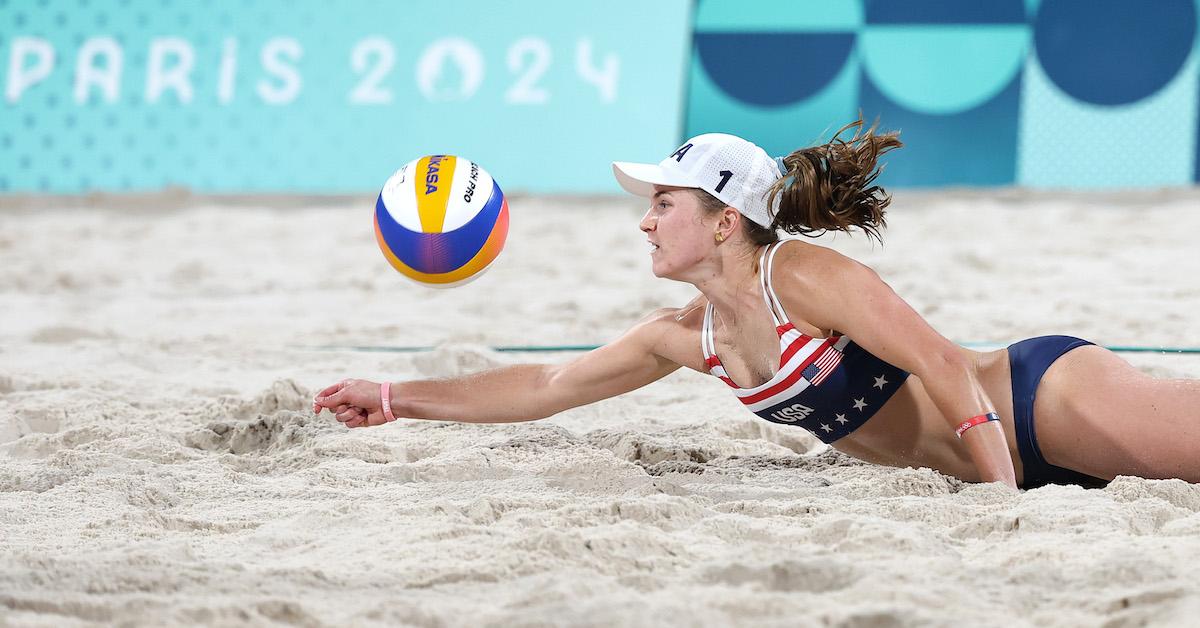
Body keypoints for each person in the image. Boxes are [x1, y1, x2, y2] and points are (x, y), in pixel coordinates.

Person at [313, 119, 1199, 490]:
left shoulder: (801, 276)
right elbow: (548, 384)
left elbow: (940, 363)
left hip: (1038, 409)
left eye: (664, 204)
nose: (646, 223)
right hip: (997, 465)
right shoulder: (684, 337)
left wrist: (1005, 495)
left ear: (726, 221)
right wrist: (393, 400)